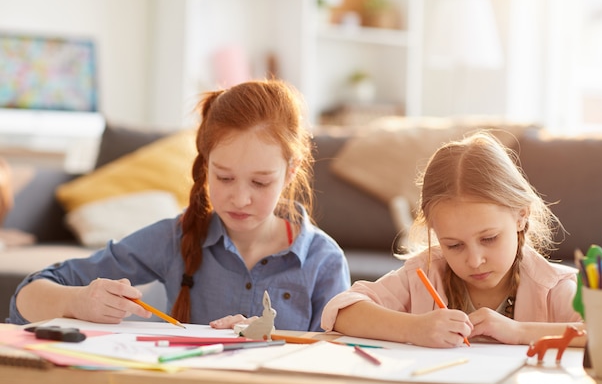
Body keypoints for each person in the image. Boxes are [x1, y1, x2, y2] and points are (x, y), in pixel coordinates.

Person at [10, 79, 351, 331]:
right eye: (224, 177)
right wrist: (76, 301)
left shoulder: (323, 261)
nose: (240, 198)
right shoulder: (175, 238)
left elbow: (340, 364)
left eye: (260, 182)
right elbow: (26, 298)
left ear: (290, 172)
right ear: (205, 166)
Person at [321, 130, 584, 348]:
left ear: (521, 216)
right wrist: (413, 328)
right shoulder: (424, 273)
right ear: (434, 232)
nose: (474, 260)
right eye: (454, 245)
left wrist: (518, 331)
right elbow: (342, 311)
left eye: (489, 238)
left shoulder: (554, 288)